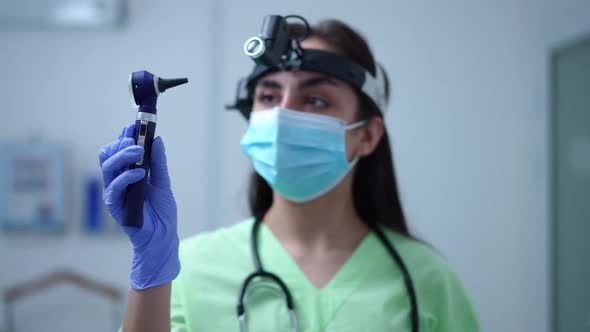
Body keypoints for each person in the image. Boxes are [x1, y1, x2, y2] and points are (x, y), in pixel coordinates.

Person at [100, 16, 479, 332]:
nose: (282, 115)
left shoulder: (426, 279)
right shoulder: (189, 267)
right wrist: (150, 271)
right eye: (268, 96)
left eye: (315, 99)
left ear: (366, 135)